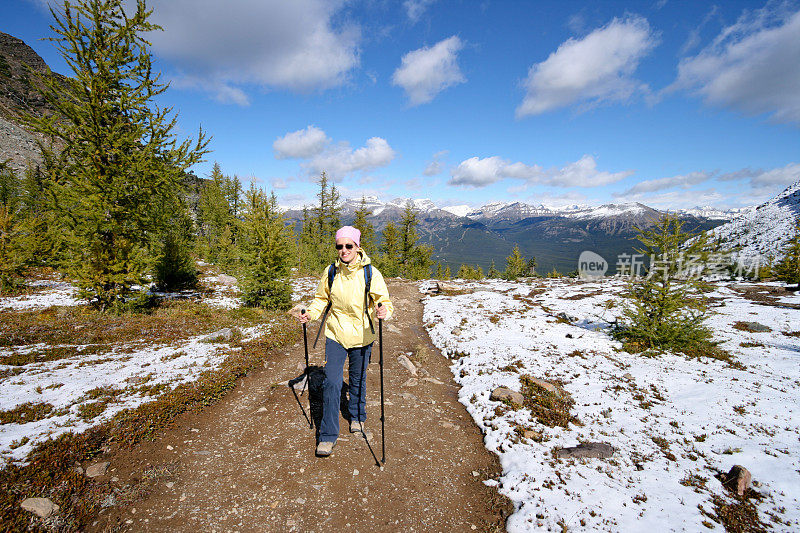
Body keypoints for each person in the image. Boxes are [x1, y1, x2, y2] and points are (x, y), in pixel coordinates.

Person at [298, 226, 393, 456]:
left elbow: (384, 301)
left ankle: (357, 417)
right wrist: (310, 313)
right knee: (332, 382)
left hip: (363, 335)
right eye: (339, 246)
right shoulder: (331, 271)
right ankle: (328, 435)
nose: (343, 250)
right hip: (336, 334)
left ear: (358, 247)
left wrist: (384, 311)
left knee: (358, 379)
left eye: (348, 245)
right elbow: (321, 299)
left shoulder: (371, 273)